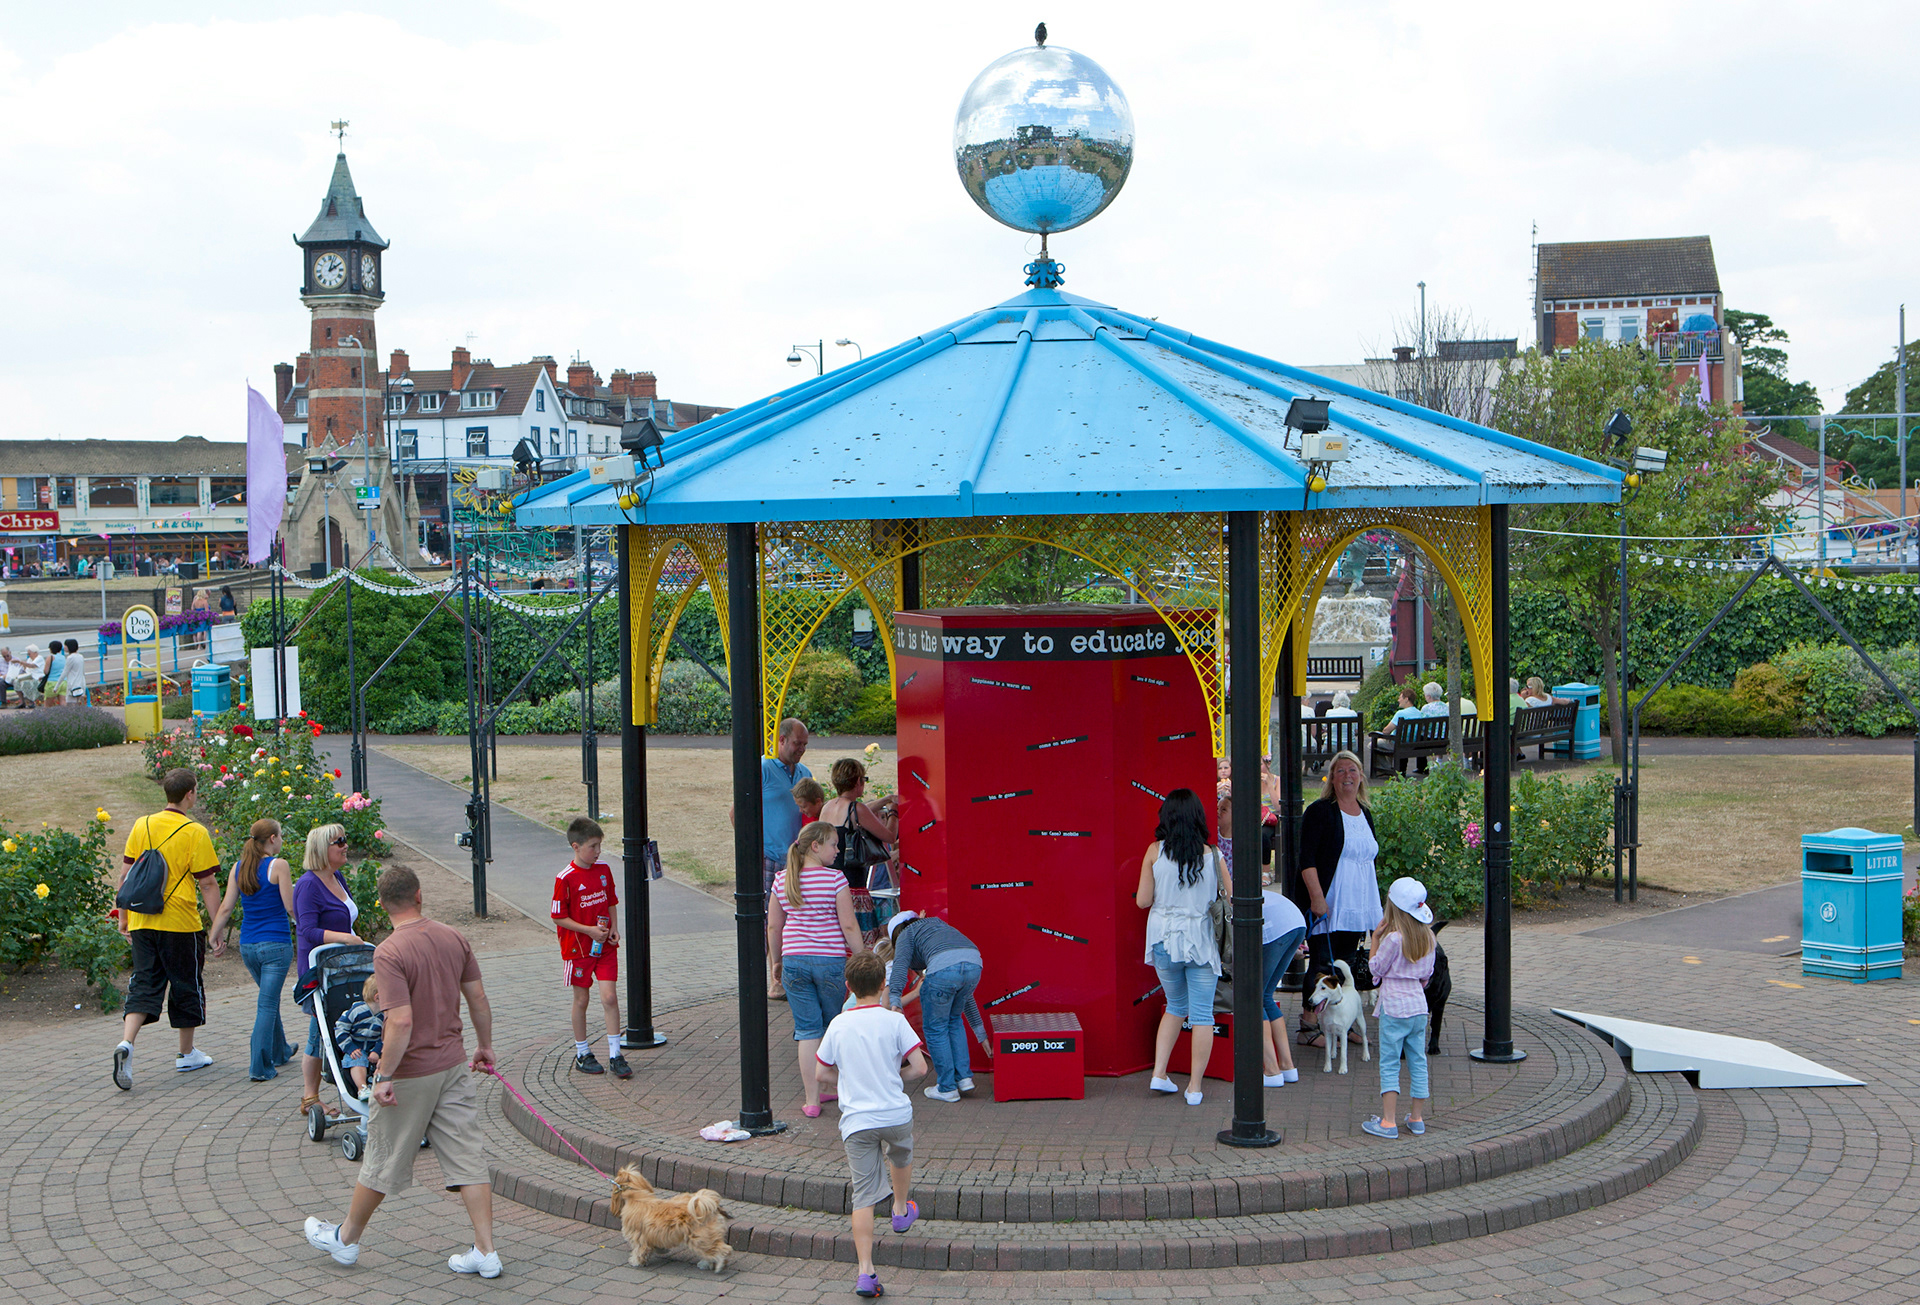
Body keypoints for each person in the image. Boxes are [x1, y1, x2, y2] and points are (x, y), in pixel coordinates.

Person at [304, 864, 502, 1278]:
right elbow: (478, 998)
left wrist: (386, 1075)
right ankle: (486, 1250)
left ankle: (345, 1240)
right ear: (419, 895)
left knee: (381, 1156)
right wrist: (484, 1046)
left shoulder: (389, 952)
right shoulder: (453, 936)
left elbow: (401, 1021)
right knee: (467, 1156)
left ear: (381, 903)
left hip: (411, 1072)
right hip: (452, 1065)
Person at [814, 950, 928, 1300]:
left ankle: (866, 1273)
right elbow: (920, 1068)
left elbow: (821, 1073)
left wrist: (849, 1082)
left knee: (862, 1196)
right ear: (883, 985)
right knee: (900, 1155)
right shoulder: (895, 1021)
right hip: (894, 1113)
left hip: (857, 1121)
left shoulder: (839, 1023)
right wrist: (895, 1075)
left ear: (848, 986)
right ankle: (899, 1209)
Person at [111, 767, 225, 1090]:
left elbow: (125, 877)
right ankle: (186, 1053)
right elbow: (207, 883)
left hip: (143, 920)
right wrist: (216, 927)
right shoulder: (195, 832)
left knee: (144, 983)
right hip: (180, 924)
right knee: (186, 984)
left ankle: (127, 1044)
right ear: (190, 794)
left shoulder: (142, 824)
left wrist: (123, 918)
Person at [766, 820, 864, 1118]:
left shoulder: (782, 879)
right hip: (830, 961)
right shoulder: (836, 880)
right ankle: (844, 1090)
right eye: (834, 844)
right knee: (834, 1026)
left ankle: (812, 1099)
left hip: (794, 961)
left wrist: (776, 962)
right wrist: (862, 958)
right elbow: (848, 924)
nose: (839, 850)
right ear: (815, 846)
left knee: (807, 1031)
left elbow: (773, 925)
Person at [1136, 788, 1228, 1105]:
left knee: (1175, 1005)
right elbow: (1231, 898)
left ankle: (1159, 1074)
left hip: (1163, 939)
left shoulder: (1154, 852)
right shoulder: (1213, 855)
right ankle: (1194, 1088)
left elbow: (1142, 901)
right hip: (1200, 941)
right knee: (1202, 1014)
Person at [1293, 751, 1383, 1047]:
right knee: (1321, 962)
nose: (1347, 775)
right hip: (1330, 901)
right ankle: (1308, 1025)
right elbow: (1306, 859)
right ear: (1332, 777)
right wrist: (1317, 898)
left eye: (1353, 770)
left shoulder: (1364, 811)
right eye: (1340, 770)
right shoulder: (1320, 811)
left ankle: (1339, 1021)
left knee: (1346, 963)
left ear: (1361, 776)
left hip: (1357, 906)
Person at [209, 818, 299, 1081]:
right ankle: (260, 1067)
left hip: (248, 946)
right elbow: (290, 907)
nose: (281, 840)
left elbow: (225, 908)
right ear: (272, 838)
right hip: (276, 946)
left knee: (267, 1000)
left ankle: (280, 1050)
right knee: (267, 1004)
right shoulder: (278, 866)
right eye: (280, 836)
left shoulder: (238, 868)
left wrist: (214, 937)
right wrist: (307, 929)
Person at [732, 717, 811, 999]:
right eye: (796, 743)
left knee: (791, 920)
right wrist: (749, 848)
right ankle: (766, 981)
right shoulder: (763, 768)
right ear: (781, 740)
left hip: (794, 861)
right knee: (767, 920)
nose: (800, 749)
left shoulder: (804, 772)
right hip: (766, 857)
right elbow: (736, 811)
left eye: (804, 744)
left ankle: (787, 977)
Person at [551, 816, 631, 1079]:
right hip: (579, 950)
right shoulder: (565, 878)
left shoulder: (604, 870)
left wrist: (614, 928)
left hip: (604, 947)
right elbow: (558, 916)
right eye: (593, 846)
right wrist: (588, 931)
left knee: (609, 997)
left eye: (599, 846)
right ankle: (582, 1052)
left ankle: (615, 1053)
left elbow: (610, 901)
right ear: (576, 846)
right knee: (582, 999)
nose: (597, 852)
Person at [295, 822, 364, 1119]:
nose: (345, 845)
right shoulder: (308, 885)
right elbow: (307, 930)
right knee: (318, 1031)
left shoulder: (337, 878)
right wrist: (345, 938)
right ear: (324, 849)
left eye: (344, 840)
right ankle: (310, 1097)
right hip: (320, 970)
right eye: (340, 842)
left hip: (345, 967)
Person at [1362, 878, 1438, 1139]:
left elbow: (1376, 969)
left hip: (1394, 1008)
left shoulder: (1393, 939)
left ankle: (1388, 1122)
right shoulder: (1428, 937)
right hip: (1418, 1007)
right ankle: (1416, 1119)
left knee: (1390, 1063)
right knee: (1418, 1061)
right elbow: (1427, 975)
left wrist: (1375, 939)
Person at [884, 911, 988, 1102]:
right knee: (954, 1021)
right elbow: (966, 996)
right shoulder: (938, 927)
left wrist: (895, 1000)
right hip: (975, 962)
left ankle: (947, 1088)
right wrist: (980, 1033)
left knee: (935, 1028)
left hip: (942, 971)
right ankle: (964, 1078)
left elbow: (899, 967)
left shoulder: (906, 934)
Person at [820, 757, 898, 892]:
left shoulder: (827, 807)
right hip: (851, 879)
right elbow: (890, 836)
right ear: (858, 782)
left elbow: (862, 810)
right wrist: (893, 812)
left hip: (829, 876)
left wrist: (885, 799)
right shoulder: (856, 809)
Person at [1259, 884, 1307, 1087]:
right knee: (1266, 995)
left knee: (1253, 997)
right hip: (1295, 921)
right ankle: (1287, 1066)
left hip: (1276, 927)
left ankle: (1271, 1070)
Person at [334, 972, 385, 1099]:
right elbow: (340, 1028)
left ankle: (382, 1088)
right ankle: (362, 1088)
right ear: (377, 998)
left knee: (388, 1060)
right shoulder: (357, 1011)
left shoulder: (385, 1015)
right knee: (358, 1059)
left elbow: (385, 1036)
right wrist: (350, 1048)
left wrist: (377, 1051)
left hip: (375, 1047)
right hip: (356, 1046)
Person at [62, 638, 85, 703]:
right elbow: (83, 673)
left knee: (70, 704)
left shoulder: (70, 658)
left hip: (72, 685)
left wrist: (56, 686)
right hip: (80, 685)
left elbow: (64, 672)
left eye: (65, 645)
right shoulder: (81, 656)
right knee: (77, 704)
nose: (64, 647)